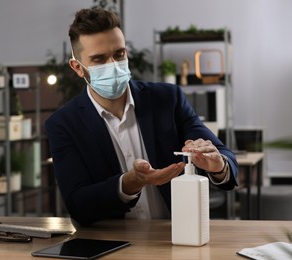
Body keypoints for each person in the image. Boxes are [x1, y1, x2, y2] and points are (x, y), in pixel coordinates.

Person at [45, 8, 238, 226]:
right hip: (110, 245)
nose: (114, 66)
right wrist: (128, 184)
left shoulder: (168, 99)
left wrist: (218, 165)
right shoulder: (63, 124)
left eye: (119, 54)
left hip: (176, 234)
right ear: (77, 68)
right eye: (99, 59)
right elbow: (78, 205)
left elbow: (223, 155)